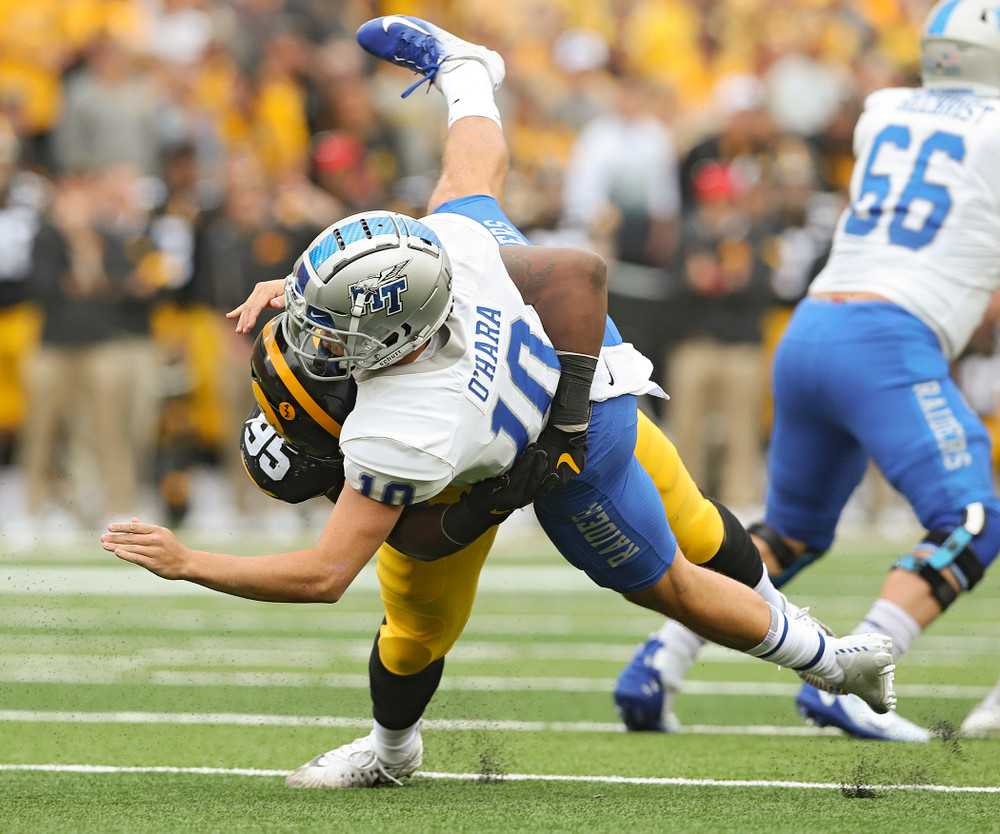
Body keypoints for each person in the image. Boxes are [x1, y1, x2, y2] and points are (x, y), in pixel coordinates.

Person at [101, 16, 896, 789]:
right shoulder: (451, 251)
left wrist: (188, 563)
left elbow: (322, 573)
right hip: (562, 388)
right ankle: (467, 65)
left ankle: (834, 663)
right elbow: (530, 226)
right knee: (465, 192)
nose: (321, 342)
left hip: (571, 449)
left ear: (398, 339)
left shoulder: (400, 430)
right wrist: (463, 81)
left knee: (662, 583)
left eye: (337, 331)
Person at [614, 0, 1000, 743]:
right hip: (887, 336)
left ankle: (659, 662)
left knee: (788, 534)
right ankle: (855, 683)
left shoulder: (888, 110)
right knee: (972, 521)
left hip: (813, 326)